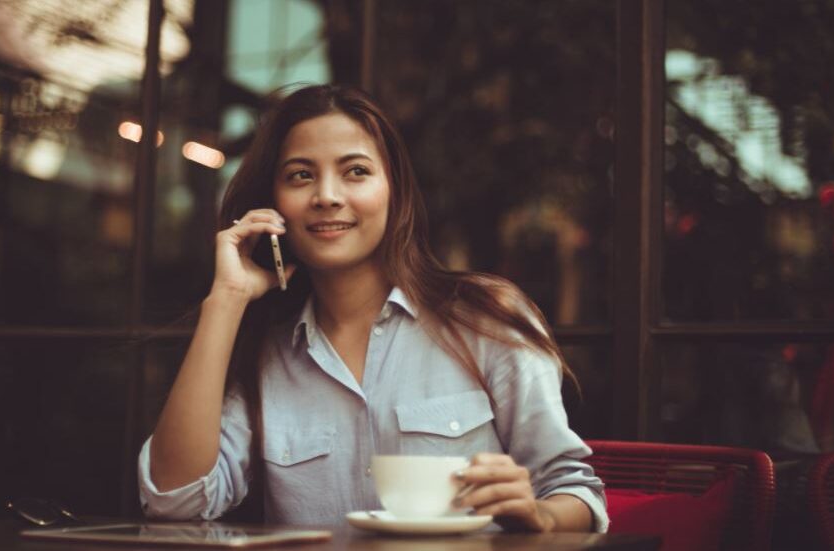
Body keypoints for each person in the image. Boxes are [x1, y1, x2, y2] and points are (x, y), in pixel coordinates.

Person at [138, 84, 608, 533]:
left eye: (355, 171)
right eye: (301, 175)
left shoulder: (484, 320)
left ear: (394, 191)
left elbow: (575, 492)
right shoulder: (265, 355)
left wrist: (539, 515)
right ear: (274, 204)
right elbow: (173, 501)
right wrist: (225, 301)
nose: (326, 195)